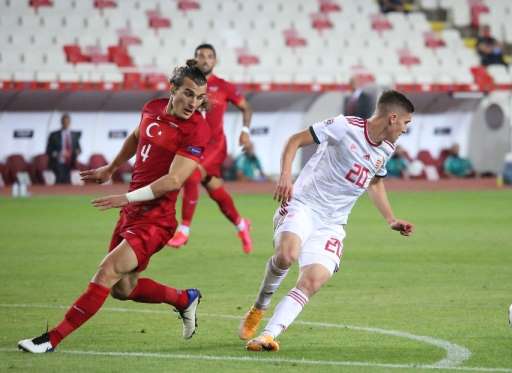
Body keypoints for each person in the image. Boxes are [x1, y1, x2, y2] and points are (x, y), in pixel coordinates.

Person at [17, 60, 211, 353]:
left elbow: (173, 181)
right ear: (172, 89)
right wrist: (111, 167)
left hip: (156, 220)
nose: (193, 103)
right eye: (187, 93)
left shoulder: (197, 130)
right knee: (123, 288)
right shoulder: (152, 108)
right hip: (131, 213)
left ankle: (51, 339)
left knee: (106, 272)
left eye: (199, 98)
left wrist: (127, 197)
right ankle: (185, 299)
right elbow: (137, 136)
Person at [238, 90, 415, 352]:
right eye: (406, 123)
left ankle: (267, 336)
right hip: (304, 205)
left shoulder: (387, 149)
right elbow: (295, 140)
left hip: (333, 223)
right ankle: (259, 307)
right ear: (392, 118)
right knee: (287, 256)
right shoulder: (345, 127)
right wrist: (286, 175)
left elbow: (375, 183)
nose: (406, 129)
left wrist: (390, 219)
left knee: (313, 280)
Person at [168, 43, 254, 253]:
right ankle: (241, 225)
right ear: (195, 59)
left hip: (215, 146)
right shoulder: (186, 85)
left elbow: (246, 106)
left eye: (209, 56)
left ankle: (184, 230)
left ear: (215, 61)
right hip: (193, 144)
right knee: (215, 189)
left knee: (192, 174)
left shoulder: (223, 86)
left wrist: (245, 131)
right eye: (201, 56)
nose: (205, 59)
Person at [46, 113, 81, 184]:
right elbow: (48, 150)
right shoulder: (54, 135)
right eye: (64, 122)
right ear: (61, 122)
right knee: (59, 181)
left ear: (70, 122)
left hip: (70, 162)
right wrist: (58, 154)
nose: (66, 123)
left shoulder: (74, 135)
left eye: (67, 122)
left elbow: (79, 149)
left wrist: (77, 152)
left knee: (68, 182)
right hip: (58, 162)